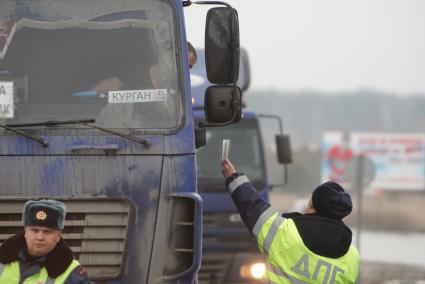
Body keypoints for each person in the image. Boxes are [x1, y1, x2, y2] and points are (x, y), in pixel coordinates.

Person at [221, 158, 359, 283]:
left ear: (312, 206)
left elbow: (252, 205)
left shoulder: (284, 232)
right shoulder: (352, 257)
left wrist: (232, 176)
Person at [0, 199, 90, 283]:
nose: (40, 237)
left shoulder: (73, 274)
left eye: (47, 232)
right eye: (34, 230)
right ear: (25, 231)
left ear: (58, 235)